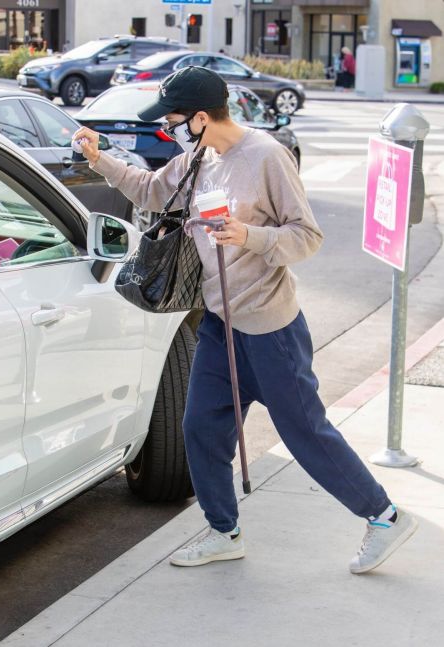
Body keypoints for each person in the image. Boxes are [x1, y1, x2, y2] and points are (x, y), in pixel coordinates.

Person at [72, 66, 417, 574]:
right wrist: (100, 160)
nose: (169, 132)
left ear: (203, 117)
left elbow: (307, 237)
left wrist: (247, 236)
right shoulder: (198, 156)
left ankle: (383, 516)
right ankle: (223, 531)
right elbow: (149, 190)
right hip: (219, 322)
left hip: (271, 330)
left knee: (307, 435)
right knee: (200, 430)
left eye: (173, 122)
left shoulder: (267, 157)